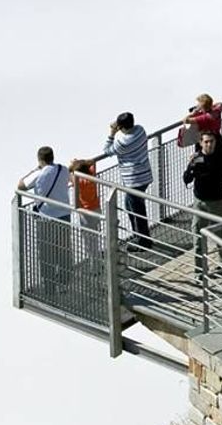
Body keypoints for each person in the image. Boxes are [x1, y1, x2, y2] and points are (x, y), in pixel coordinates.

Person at [74, 112, 153, 247]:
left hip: (134, 180)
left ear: (121, 126)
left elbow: (107, 150)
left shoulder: (123, 142)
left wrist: (112, 132)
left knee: (137, 210)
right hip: (144, 175)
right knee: (131, 205)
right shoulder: (140, 130)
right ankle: (140, 237)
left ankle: (143, 241)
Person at [18, 146, 72, 293]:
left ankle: (49, 287)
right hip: (65, 215)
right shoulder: (63, 169)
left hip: (47, 218)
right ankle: (64, 283)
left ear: (40, 160)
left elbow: (20, 186)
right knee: (64, 251)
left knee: (47, 253)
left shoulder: (39, 174)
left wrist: (34, 170)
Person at [183, 130, 222, 273]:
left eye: (211, 141)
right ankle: (200, 271)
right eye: (206, 142)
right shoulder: (197, 159)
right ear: (201, 143)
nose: (209, 144)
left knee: (221, 235)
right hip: (200, 202)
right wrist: (191, 166)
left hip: (218, 201)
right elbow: (186, 179)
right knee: (198, 236)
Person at [69, 157, 101, 260]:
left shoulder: (77, 179)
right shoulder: (91, 174)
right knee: (95, 238)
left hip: (85, 213)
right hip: (96, 209)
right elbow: (92, 161)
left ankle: (94, 267)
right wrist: (81, 162)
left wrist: (73, 164)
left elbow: (68, 173)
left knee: (89, 242)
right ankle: (98, 262)